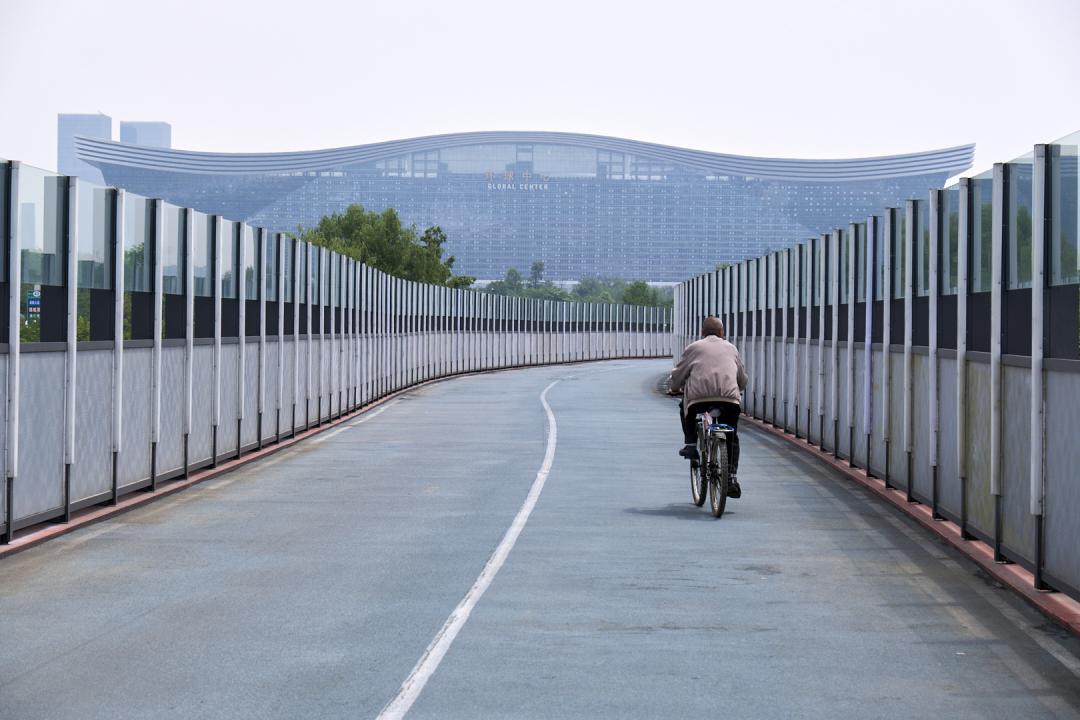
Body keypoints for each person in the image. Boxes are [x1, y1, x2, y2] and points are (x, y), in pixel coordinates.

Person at [667, 316, 747, 498]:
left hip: (699, 399)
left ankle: (690, 444)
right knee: (732, 436)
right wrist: (737, 388)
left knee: (684, 407)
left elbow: (679, 375)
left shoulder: (694, 347)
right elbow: (742, 379)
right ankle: (731, 478)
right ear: (722, 332)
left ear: (702, 333)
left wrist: (673, 388)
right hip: (729, 400)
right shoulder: (731, 348)